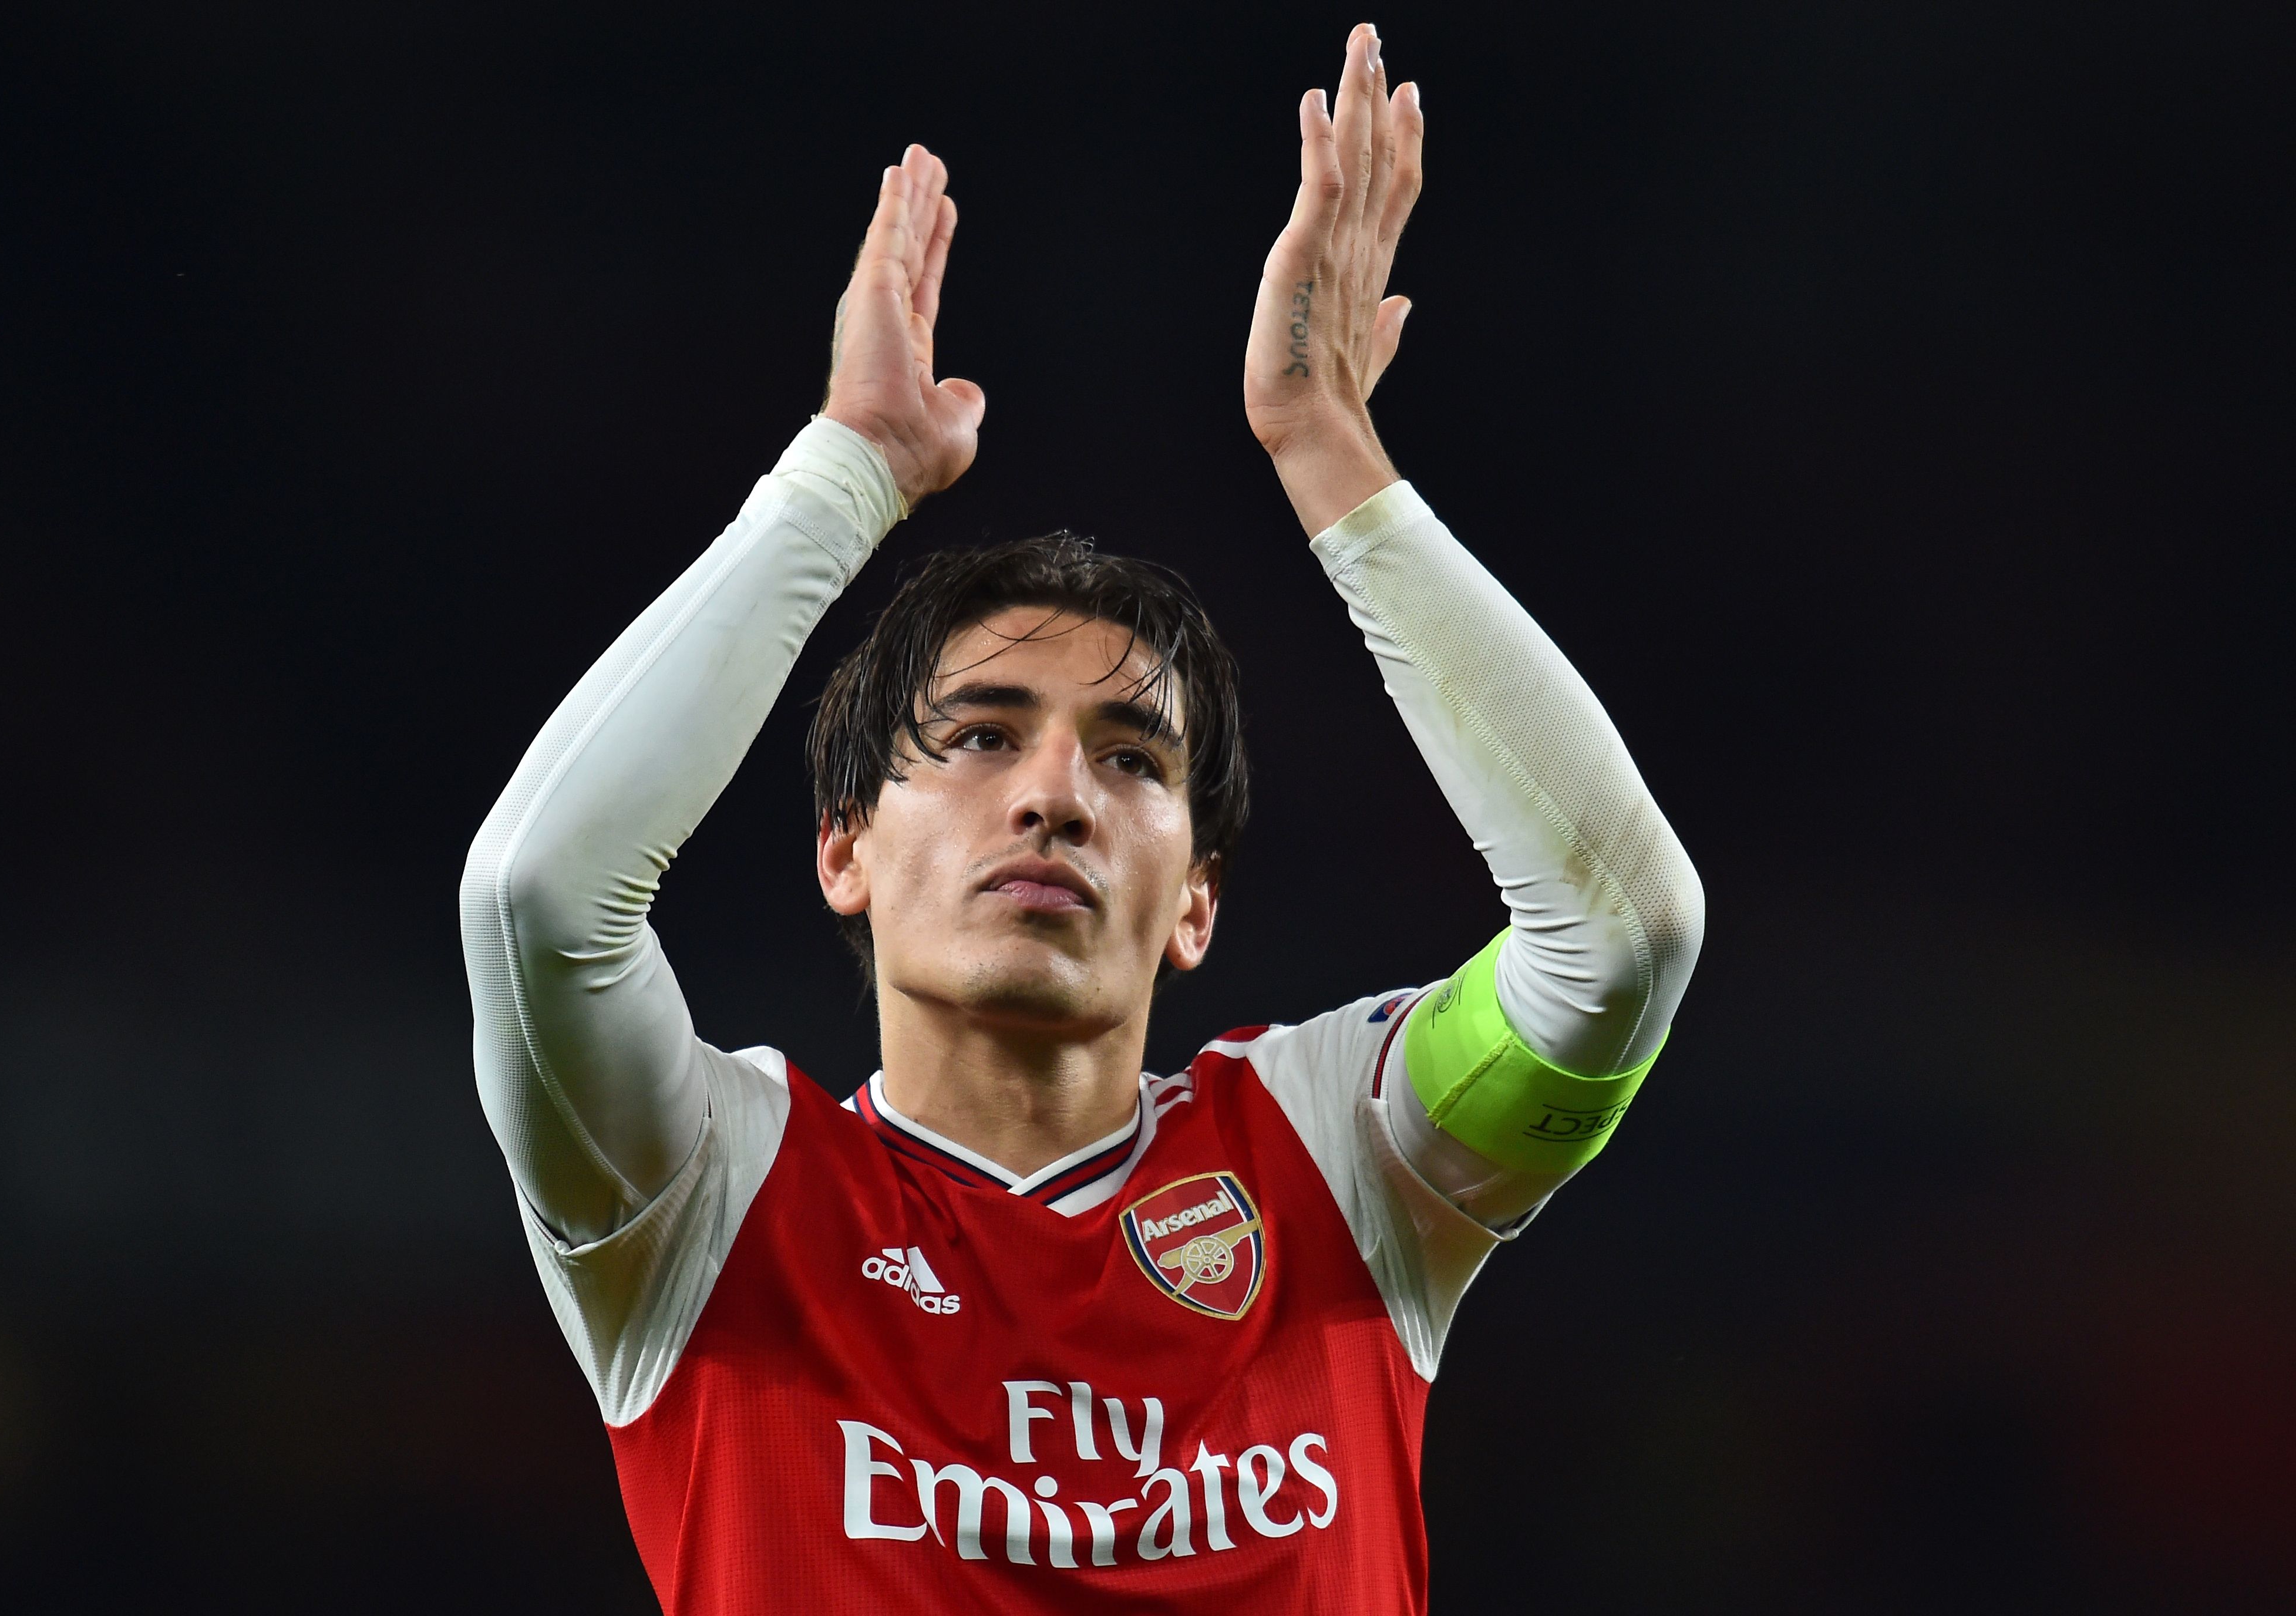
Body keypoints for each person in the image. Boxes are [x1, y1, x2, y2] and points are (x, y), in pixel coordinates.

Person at [460, 23, 1702, 1612]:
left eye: (1132, 760)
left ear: (1196, 899)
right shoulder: (706, 1201)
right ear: (843, 848)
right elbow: (535, 901)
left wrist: (1332, 447)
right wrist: (845, 474)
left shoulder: (1340, 1168)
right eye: (977, 738)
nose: (1053, 793)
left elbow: (1625, 932)